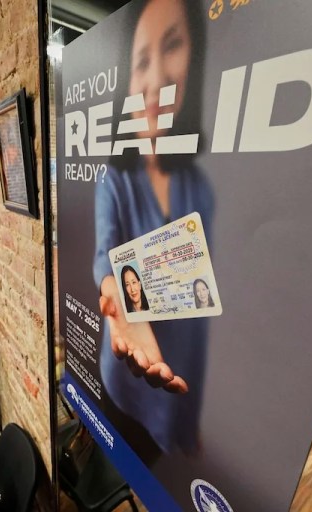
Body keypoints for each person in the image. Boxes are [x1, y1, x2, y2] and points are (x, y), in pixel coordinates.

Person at [93, 0, 210, 460]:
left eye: (174, 46)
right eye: (141, 61)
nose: (157, 77)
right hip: (125, 371)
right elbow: (105, 253)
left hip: (174, 381)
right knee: (114, 466)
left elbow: (200, 318)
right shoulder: (117, 178)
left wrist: (193, 412)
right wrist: (116, 295)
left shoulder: (201, 188)